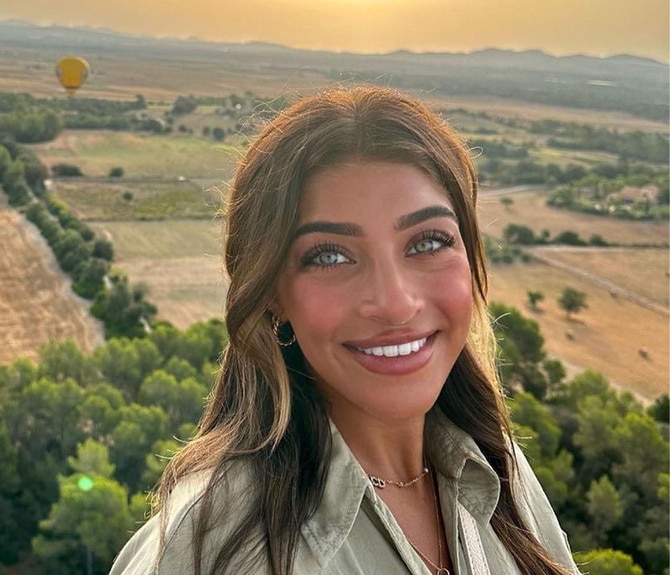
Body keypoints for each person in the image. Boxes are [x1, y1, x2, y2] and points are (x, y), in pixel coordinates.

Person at [110, 85, 580, 575]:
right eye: (330, 255)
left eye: (427, 242)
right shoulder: (217, 544)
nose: (396, 304)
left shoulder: (496, 469)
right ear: (272, 293)